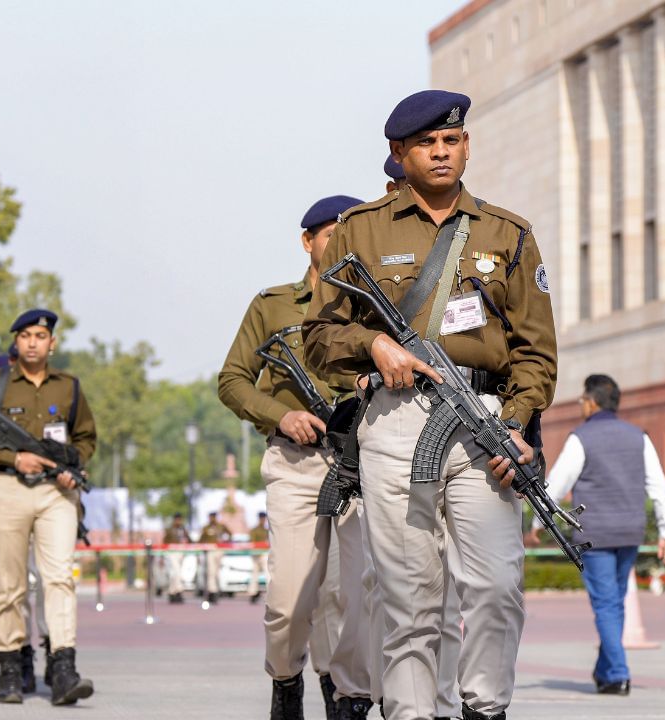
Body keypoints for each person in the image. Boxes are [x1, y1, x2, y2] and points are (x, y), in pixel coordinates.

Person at [304, 89, 558, 720]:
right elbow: (318, 337)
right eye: (427, 143)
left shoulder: (509, 233)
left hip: (483, 418)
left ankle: (484, 708)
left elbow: (536, 351)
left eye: (452, 140)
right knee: (409, 596)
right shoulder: (360, 229)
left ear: (466, 144)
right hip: (395, 420)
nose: (442, 152)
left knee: (497, 586)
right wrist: (373, 344)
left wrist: (521, 422)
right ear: (399, 152)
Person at [217, 192, 374, 720]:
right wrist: (278, 415)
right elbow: (232, 380)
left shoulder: (376, 306)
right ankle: (286, 677)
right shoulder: (273, 305)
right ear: (307, 241)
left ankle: (345, 695)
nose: (336, 242)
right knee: (290, 597)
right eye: (328, 233)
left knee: (350, 595)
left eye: (346, 232)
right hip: (296, 464)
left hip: (361, 463)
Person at [0, 309, 96, 705]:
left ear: (52, 343)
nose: (32, 342)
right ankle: (10, 665)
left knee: (59, 576)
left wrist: (71, 465)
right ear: (17, 342)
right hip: (6, 489)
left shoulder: (70, 387)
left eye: (39, 336)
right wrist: (14, 460)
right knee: (9, 584)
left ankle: (63, 666)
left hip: (54, 494)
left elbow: (86, 438)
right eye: (25, 335)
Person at [366, 151, 464, 720]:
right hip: (383, 426)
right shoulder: (369, 243)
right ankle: (394, 694)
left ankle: (438, 701)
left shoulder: (473, 241)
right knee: (397, 589)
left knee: (449, 588)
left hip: (460, 419)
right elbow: (331, 337)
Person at [527, 374, 665, 695]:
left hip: (595, 534)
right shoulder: (639, 437)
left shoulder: (582, 437)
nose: (581, 404)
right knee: (615, 602)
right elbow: (659, 487)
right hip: (630, 532)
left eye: (582, 399)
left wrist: (537, 525)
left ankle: (619, 673)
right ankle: (605, 670)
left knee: (607, 605)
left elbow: (557, 484)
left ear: (592, 402)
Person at [197, 511, 232, 606]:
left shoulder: (221, 526)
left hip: (219, 550)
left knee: (216, 571)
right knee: (211, 571)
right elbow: (201, 540)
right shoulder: (206, 528)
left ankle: (216, 589)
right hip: (210, 550)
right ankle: (212, 591)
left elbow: (230, 534)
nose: (212, 519)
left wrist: (226, 542)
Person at [162, 512, 191, 604]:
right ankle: (178, 590)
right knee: (176, 571)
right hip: (172, 551)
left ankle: (172, 591)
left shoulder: (183, 529)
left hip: (181, 551)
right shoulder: (170, 529)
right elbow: (165, 541)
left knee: (175, 573)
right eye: (177, 519)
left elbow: (189, 539)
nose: (178, 521)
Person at [248, 510, 270, 604]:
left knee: (267, 574)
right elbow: (252, 542)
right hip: (257, 554)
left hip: (264, 554)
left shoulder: (266, 530)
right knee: (255, 575)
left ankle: (270, 593)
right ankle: (253, 593)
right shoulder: (255, 530)